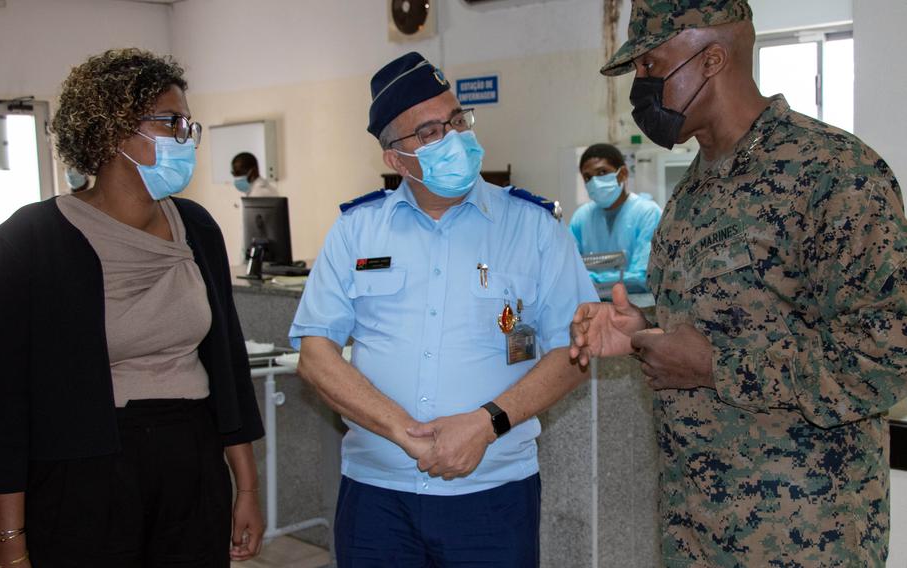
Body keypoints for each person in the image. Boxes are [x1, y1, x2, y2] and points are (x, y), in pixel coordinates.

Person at [571, 0, 907, 565]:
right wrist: (646, 331)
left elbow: (886, 355)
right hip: (695, 530)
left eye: (651, 67)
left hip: (803, 536)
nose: (641, 90)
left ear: (712, 59)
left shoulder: (834, 173)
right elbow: (731, 325)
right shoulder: (691, 192)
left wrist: (716, 367)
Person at [290, 51, 597, 567]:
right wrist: (401, 431)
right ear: (395, 158)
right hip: (376, 497)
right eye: (429, 132)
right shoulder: (357, 231)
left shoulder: (534, 227)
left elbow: (575, 350)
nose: (452, 138)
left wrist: (486, 423)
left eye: (456, 120)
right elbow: (315, 353)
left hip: (494, 497)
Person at [0, 48, 265, 568]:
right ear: (116, 130)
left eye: (189, 123)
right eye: (171, 122)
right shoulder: (29, 242)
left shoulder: (198, 228)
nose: (186, 137)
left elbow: (226, 364)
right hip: (83, 474)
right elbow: (7, 403)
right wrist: (11, 541)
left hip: (191, 460)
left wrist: (247, 488)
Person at [570, 143, 661, 292]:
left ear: (623, 173)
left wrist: (592, 280)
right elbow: (569, 270)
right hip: (592, 308)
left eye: (602, 172)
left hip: (638, 308)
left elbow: (642, 276)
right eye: (587, 177)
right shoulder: (581, 218)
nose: (594, 182)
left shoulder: (647, 213)